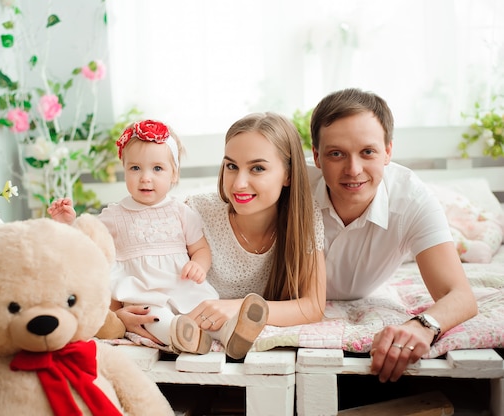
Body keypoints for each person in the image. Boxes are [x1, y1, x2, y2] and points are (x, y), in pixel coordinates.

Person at [49, 119, 269, 359]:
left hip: (181, 284)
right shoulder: (114, 215)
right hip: (144, 291)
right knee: (153, 318)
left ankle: (231, 333)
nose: (145, 178)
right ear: (124, 170)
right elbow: (90, 242)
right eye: (135, 168)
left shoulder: (182, 212)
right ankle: (182, 337)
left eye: (157, 169)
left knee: (205, 310)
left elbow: (200, 248)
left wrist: (198, 265)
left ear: (174, 174)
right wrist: (70, 223)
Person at [113, 112, 327, 354]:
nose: (238, 183)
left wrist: (236, 307)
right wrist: (117, 314)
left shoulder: (304, 219)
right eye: (232, 166)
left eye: (257, 168)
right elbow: (132, 259)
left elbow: (313, 306)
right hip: (182, 329)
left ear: (288, 174)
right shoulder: (194, 211)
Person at [307, 87, 478, 382]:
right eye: (336, 154)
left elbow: (461, 296)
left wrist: (422, 324)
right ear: (317, 157)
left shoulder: (413, 199)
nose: (353, 169)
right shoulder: (290, 187)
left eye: (367, 152)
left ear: (388, 152)